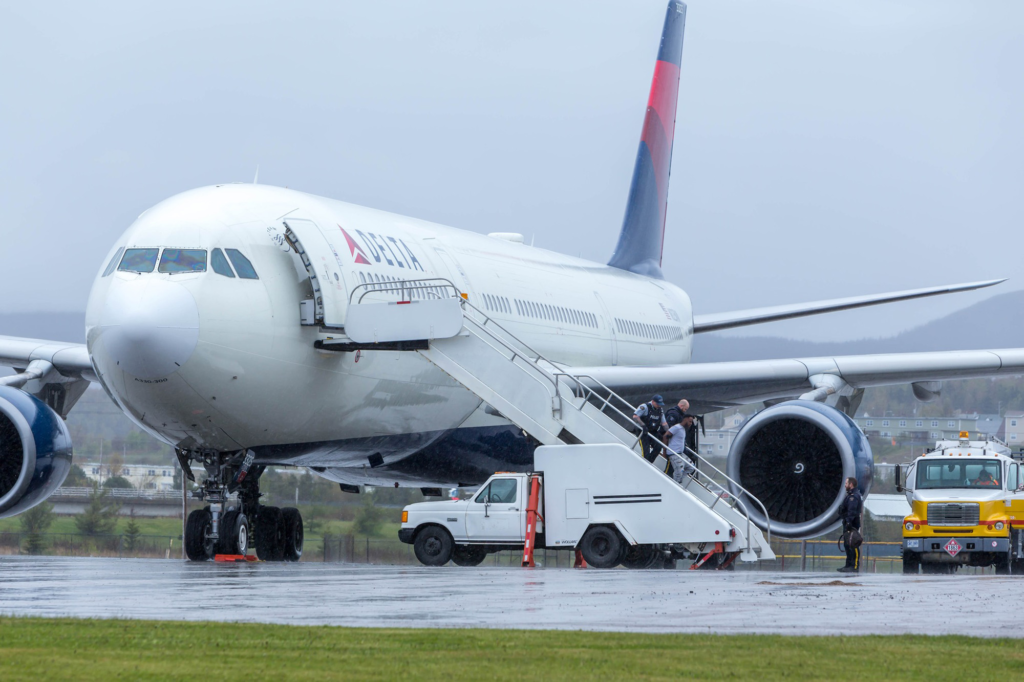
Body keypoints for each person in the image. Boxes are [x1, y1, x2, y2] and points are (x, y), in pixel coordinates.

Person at [837, 477, 863, 573]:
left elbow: (851, 511)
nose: (845, 485)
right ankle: (848, 565)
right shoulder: (850, 495)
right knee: (847, 545)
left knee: (853, 544)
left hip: (851, 524)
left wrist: (848, 522)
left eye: (846, 483)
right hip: (848, 523)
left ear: (851, 484)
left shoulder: (854, 496)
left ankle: (855, 566)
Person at [633, 395, 667, 463]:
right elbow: (635, 416)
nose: (659, 406)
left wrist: (669, 432)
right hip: (643, 432)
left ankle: (649, 462)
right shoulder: (644, 407)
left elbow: (664, 423)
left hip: (653, 431)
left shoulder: (660, 410)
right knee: (646, 452)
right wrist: (643, 425)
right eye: (657, 404)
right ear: (653, 401)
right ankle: (646, 462)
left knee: (658, 447)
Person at [663, 415, 695, 482]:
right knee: (679, 470)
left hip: (680, 453)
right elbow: (665, 436)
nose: (690, 424)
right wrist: (664, 451)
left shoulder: (683, 429)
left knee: (691, 467)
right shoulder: (677, 427)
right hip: (674, 453)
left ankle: (677, 480)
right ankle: (676, 483)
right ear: (685, 419)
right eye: (690, 421)